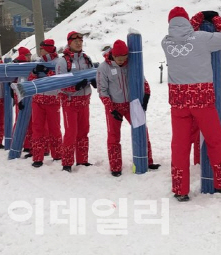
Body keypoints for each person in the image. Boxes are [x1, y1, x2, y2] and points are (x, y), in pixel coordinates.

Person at [161, 8, 221, 201]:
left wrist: (196, 19)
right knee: (214, 142)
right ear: (187, 20)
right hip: (201, 100)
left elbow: (187, 35)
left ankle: (180, 190)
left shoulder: (165, 43)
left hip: (178, 103)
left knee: (179, 146)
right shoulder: (202, 39)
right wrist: (214, 18)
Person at [97, 39, 160, 176]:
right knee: (113, 137)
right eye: (118, 58)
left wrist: (147, 94)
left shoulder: (131, 64)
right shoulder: (104, 68)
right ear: (113, 54)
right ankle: (115, 167)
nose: (121, 61)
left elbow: (142, 80)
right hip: (114, 106)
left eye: (123, 58)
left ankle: (147, 161)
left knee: (143, 131)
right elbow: (102, 90)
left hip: (132, 104)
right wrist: (111, 109)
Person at [191, 43, 221, 165]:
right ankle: (199, 161)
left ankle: (201, 161)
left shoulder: (211, 59)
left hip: (206, 99)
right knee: (197, 131)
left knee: (205, 131)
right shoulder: (193, 59)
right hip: (193, 99)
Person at [57, 31, 94, 172]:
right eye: (75, 41)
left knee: (84, 131)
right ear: (69, 42)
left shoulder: (86, 59)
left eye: (80, 40)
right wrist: (74, 87)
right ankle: (67, 163)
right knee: (71, 132)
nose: (79, 43)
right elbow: (59, 83)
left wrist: (94, 80)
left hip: (84, 101)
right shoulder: (63, 61)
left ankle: (82, 160)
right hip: (70, 102)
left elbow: (91, 74)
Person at [29, 40, 62, 168]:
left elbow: (60, 80)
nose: (40, 51)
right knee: (37, 129)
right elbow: (30, 81)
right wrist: (34, 73)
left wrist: (47, 72)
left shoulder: (59, 62)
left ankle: (58, 154)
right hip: (37, 100)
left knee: (54, 128)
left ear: (47, 49)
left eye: (41, 48)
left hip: (52, 99)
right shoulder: (37, 62)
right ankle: (37, 157)